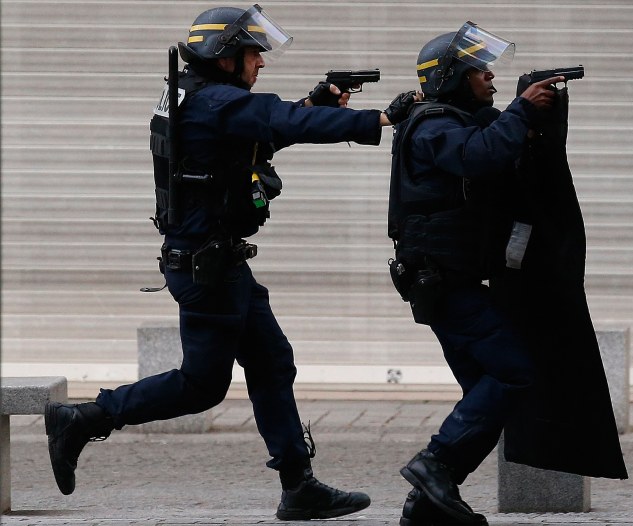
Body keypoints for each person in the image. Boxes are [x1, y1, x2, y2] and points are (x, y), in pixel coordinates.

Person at [44, 4, 415, 521]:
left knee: (271, 362)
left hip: (217, 263)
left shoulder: (196, 97)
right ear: (224, 58)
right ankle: (85, 418)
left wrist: (315, 101)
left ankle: (298, 484)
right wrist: (378, 117)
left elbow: (259, 133)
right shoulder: (214, 102)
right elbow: (274, 119)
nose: (260, 64)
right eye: (252, 54)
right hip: (207, 268)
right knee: (202, 385)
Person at [387, 22, 628, 525]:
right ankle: (432, 466)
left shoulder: (457, 118)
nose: (490, 76)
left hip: (453, 282)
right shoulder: (434, 126)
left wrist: (532, 107)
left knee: (487, 397)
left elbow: (503, 144)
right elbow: (480, 156)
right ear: (454, 77)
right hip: (445, 286)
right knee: (513, 374)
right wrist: (520, 109)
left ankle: (428, 499)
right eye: (480, 70)